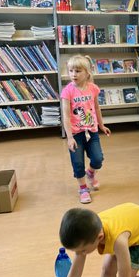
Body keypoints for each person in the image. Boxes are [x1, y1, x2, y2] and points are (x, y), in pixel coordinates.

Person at [61, 55, 111, 204]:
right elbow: (66, 116)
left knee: (98, 159)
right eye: (71, 71)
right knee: (78, 163)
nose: (73, 74)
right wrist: (69, 137)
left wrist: (101, 125)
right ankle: (83, 188)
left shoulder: (93, 89)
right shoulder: (67, 91)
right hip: (75, 134)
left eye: (77, 71)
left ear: (87, 72)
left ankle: (90, 173)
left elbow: (97, 108)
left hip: (92, 131)